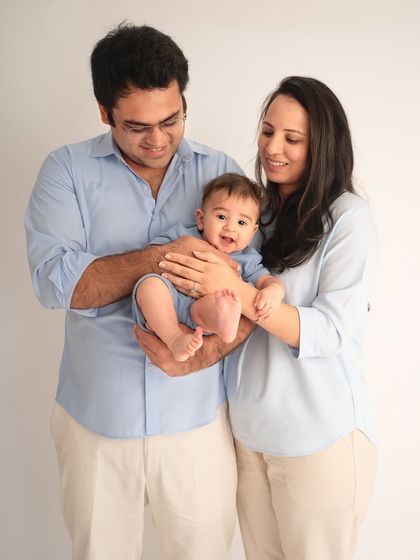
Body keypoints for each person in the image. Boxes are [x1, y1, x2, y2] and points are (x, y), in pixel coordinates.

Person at [25, 23, 253, 560]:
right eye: (136, 126)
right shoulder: (66, 172)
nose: (157, 139)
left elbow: (245, 295)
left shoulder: (223, 173)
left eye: (170, 120)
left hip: (197, 422)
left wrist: (199, 360)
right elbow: (60, 284)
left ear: (183, 102)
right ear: (105, 113)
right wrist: (162, 258)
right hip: (97, 424)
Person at [150, 76, 378, 560]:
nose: (273, 148)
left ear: (323, 146)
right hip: (250, 438)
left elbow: (330, 331)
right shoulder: (255, 213)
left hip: (319, 440)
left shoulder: (348, 219)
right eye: (267, 130)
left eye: (293, 139)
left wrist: (228, 285)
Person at [133, 173, 284, 362]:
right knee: (149, 285)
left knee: (219, 301)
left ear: (253, 231)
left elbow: (266, 281)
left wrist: (274, 291)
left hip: (202, 314)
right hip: (169, 300)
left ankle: (225, 320)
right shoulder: (183, 236)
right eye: (221, 216)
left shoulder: (246, 259)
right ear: (201, 219)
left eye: (242, 222)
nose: (231, 228)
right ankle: (175, 339)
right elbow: (151, 256)